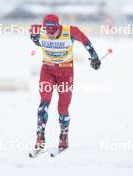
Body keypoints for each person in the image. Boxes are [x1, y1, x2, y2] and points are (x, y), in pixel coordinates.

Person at [30, 14, 101, 150]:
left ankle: (64, 136)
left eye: (54, 32)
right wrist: (34, 38)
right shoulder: (39, 30)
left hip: (65, 73)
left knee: (62, 108)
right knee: (44, 102)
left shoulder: (70, 31)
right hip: (47, 71)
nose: (50, 35)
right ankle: (40, 136)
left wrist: (94, 57)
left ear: (58, 27)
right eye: (47, 33)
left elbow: (85, 40)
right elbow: (33, 31)